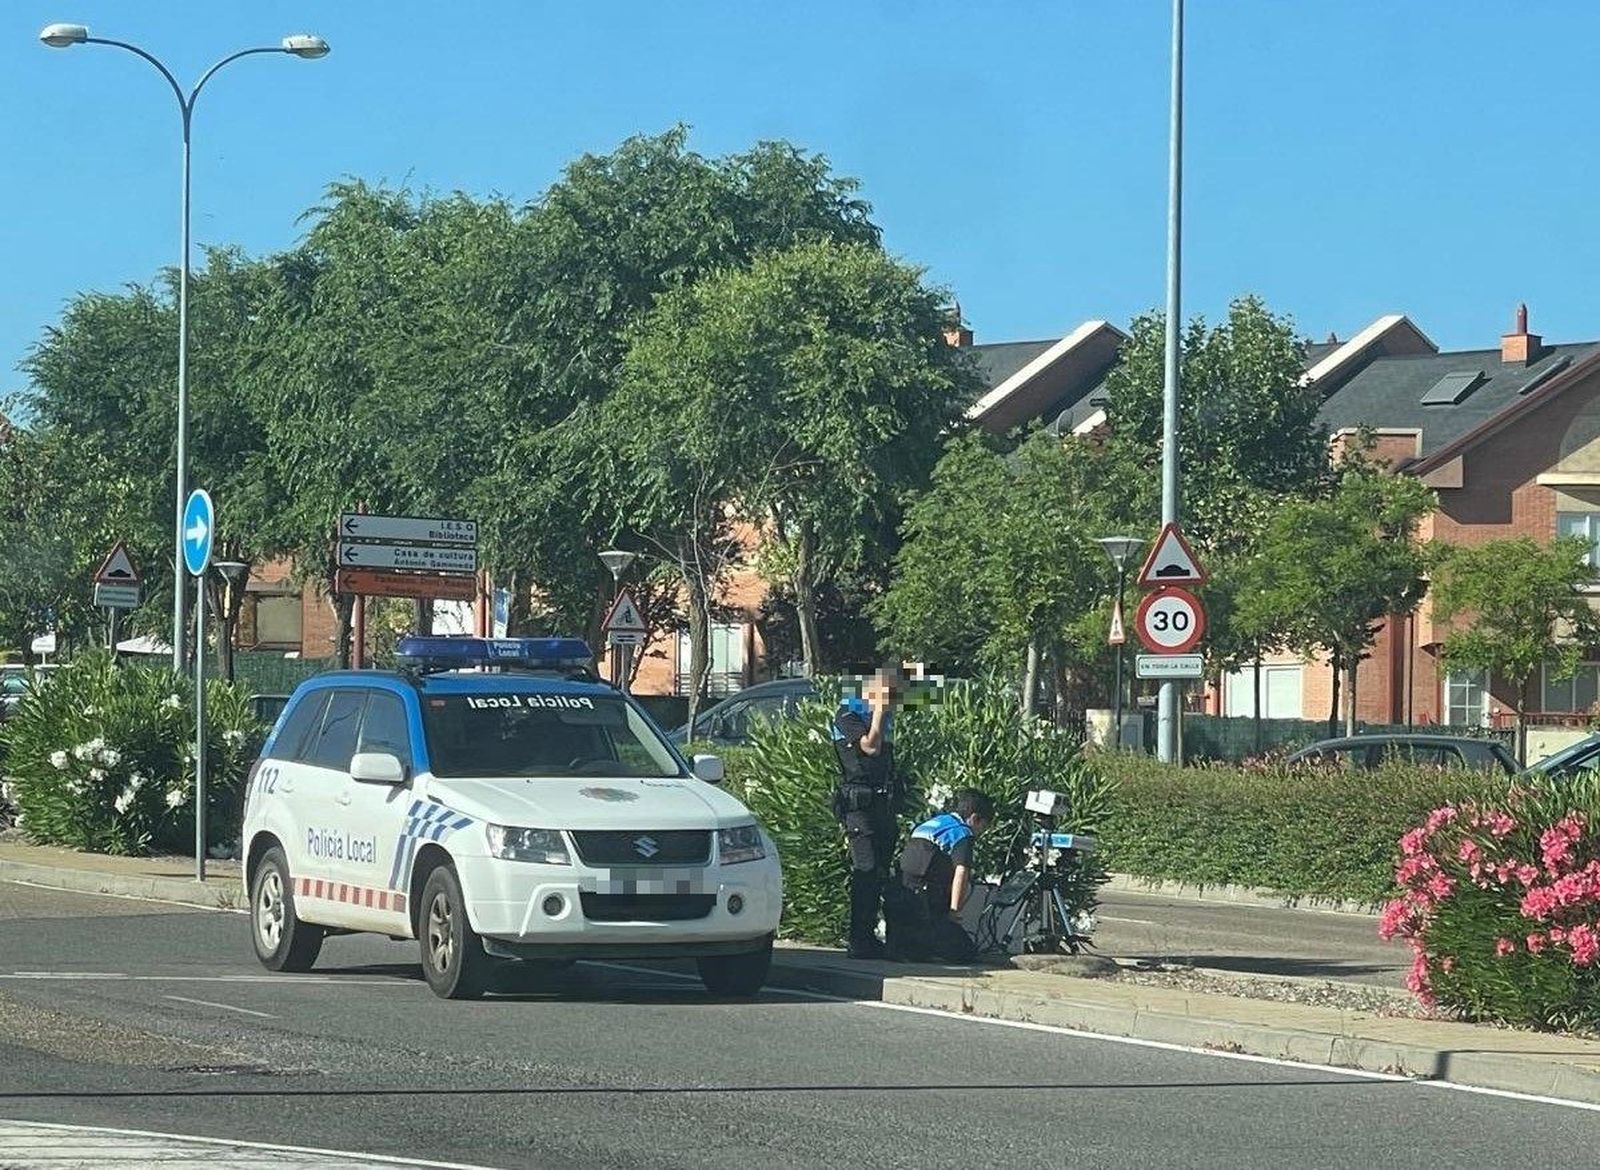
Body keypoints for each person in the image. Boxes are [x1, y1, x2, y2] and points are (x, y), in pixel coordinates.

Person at [830, 661, 908, 960]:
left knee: (880, 871)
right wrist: (877, 712)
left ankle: (874, 935)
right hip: (858, 806)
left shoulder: (888, 717)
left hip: (882, 804)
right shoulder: (847, 713)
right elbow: (870, 748)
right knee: (865, 869)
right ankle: (858, 938)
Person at [886, 788, 994, 963]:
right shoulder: (962, 833)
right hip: (926, 905)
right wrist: (954, 911)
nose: (982, 832)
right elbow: (961, 872)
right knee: (966, 953)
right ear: (974, 818)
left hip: (902, 901)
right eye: (983, 826)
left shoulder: (933, 823)